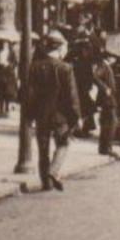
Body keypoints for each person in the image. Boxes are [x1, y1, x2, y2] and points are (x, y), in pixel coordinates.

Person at [23, 32, 82, 191]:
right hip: (60, 117)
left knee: (43, 151)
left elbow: (29, 94)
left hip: (41, 116)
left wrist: (28, 116)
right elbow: (72, 96)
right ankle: (53, 171)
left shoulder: (34, 67)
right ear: (59, 47)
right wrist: (76, 117)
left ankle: (45, 183)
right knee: (63, 143)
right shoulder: (65, 68)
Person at [91, 44, 120, 158]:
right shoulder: (103, 65)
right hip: (107, 99)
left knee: (105, 122)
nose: (114, 60)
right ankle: (107, 147)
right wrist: (105, 88)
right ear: (109, 57)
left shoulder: (106, 66)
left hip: (107, 99)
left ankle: (103, 148)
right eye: (113, 57)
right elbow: (94, 77)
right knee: (112, 122)